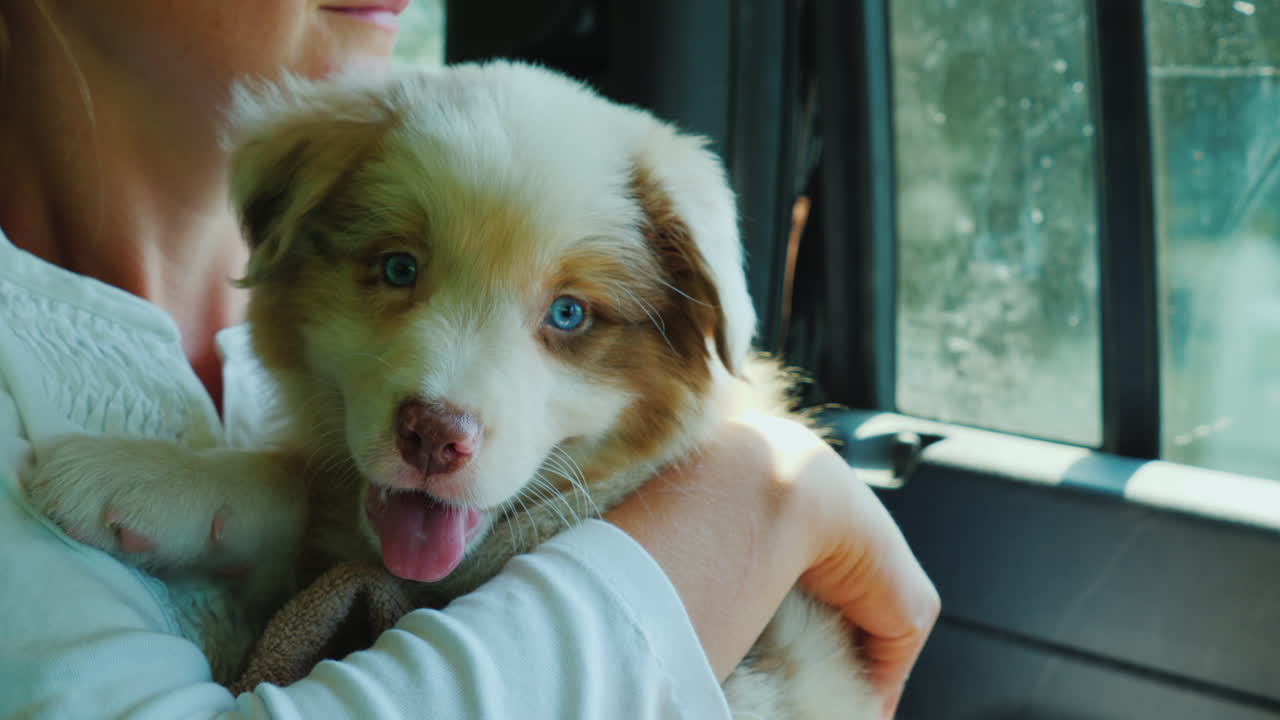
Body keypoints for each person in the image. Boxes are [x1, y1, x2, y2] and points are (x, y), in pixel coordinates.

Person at [0, 1, 939, 718]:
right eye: (396, 270)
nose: (444, 400)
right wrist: (753, 509)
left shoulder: (271, 340)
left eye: (568, 313)